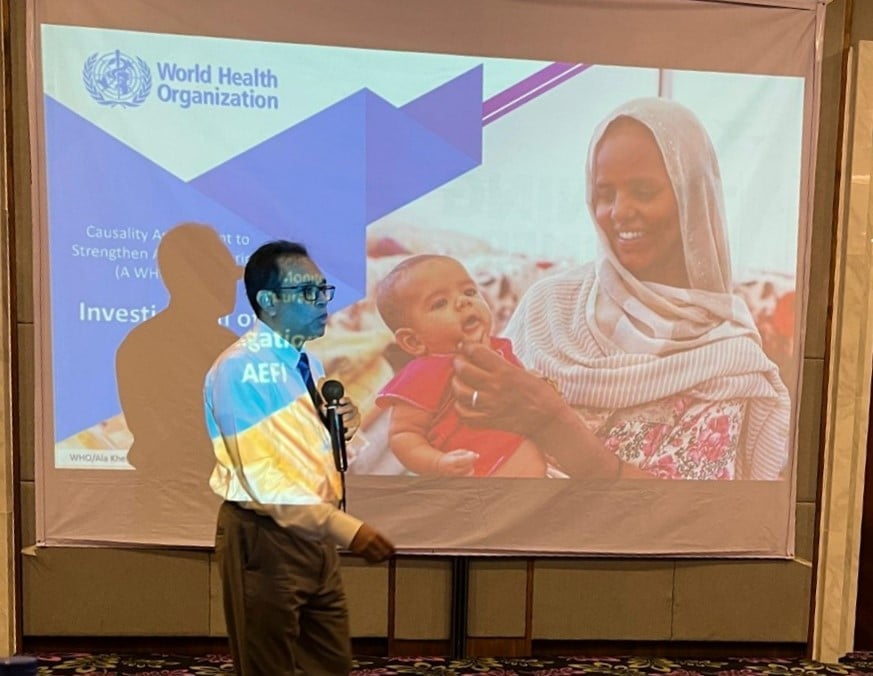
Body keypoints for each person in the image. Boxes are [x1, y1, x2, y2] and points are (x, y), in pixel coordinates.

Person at [451, 97, 792, 481]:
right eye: (605, 194)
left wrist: (553, 423)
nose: (618, 211)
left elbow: (688, 518)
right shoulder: (549, 309)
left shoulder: (723, 351)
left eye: (644, 192)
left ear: (692, 199)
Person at [204, 240, 395, 676]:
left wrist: (341, 425)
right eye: (306, 292)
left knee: (329, 665)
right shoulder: (239, 370)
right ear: (269, 301)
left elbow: (299, 448)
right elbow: (264, 479)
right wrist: (349, 530)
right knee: (270, 667)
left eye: (323, 291)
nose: (321, 303)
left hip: (314, 533)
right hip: (266, 535)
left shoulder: (303, 358)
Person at [373, 254, 546, 477]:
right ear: (413, 341)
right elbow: (404, 435)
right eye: (439, 303)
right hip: (478, 487)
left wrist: (533, 384)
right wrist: (437, 463)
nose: (463, 302)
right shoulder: (423, 374)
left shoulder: (499, 349)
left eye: (469, 292)